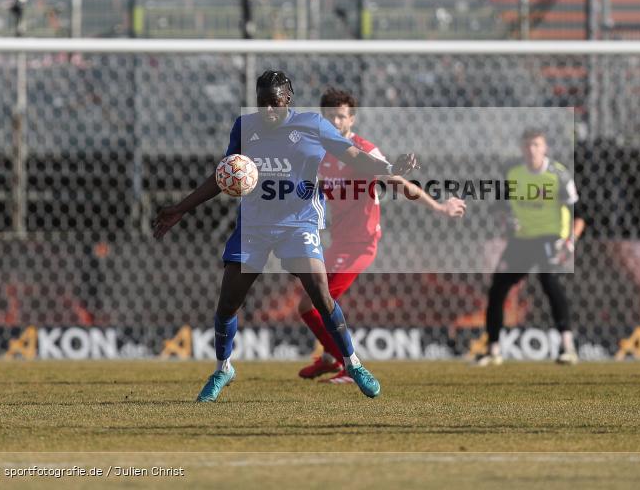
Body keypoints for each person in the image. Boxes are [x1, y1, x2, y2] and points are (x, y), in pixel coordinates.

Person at [152, 70, 418, 402]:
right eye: (262, 104)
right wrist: (181, 208)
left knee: (320, 294)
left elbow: (354, 157)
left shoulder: (313, 125)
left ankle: (352, 363)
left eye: (274, 104)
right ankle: (223, 369)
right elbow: (224, 173)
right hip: (255, 226)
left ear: (287, 99)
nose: (268, 111)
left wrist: (390, 169)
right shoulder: (245, 128)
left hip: (299, 223)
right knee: (228, 304)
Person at [297, 88, 466, 384]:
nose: (336, 121)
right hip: (337, 243)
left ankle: (346, 364)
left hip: (361, 242)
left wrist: (438, 207)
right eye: (330, 116)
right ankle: (329, 357)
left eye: (341, 116)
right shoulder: (317, 152)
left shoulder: (362, 150)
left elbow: (397, 181)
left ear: (352, 119)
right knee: (315, 304)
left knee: (312, 304)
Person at [475, 127, 585, 366]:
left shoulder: (558, 175)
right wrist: (505, 220)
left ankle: (567, 346)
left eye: (536, 145)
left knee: (549, 281)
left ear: (545, 148)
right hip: (522, 240)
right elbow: (500, 207)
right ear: (521, 148)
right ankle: (493, 349)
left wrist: (570, 241)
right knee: (497, 288)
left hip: (550, 238)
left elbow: (580, 214)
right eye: (527, 145)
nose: (531, 150)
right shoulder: (513, 173)